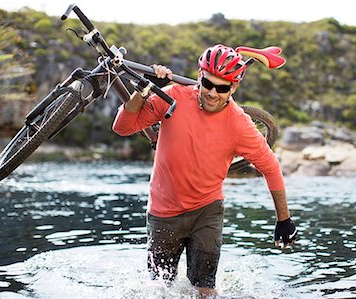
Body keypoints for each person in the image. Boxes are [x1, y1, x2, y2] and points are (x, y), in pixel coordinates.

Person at [112, 44, 297, 298]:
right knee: (159, 290)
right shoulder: (172, 97)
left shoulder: (239, 124)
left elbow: (271, 167)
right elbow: (122, 127)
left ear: (234, 88)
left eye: (222, 88)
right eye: (207, 84)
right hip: (163, 211)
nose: (212, 93)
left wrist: (283, 220)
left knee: (205, 290)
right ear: (199, 76)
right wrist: (142, 92)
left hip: (206, 211)